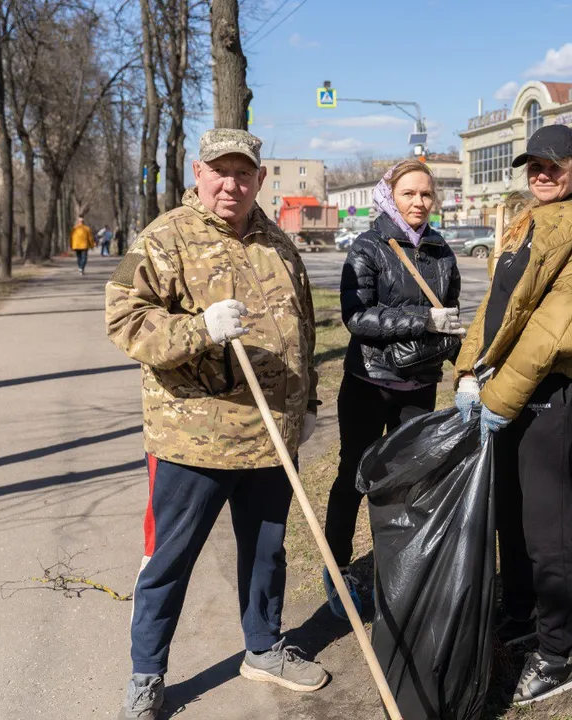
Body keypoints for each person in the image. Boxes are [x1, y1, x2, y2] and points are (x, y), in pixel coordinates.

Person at [105, 129, 327, 720]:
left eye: (244, 173)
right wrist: (199, 329)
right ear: (198, 173)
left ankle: (264, 648)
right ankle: (146, 674)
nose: (232, 184)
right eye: (220, 172)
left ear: (259, 179)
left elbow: (302, 329)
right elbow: (125, 322)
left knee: (267, 552)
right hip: (193, 440)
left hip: (270, 436)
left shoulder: (278, 243)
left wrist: (306, 405)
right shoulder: (165, 237)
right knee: (170, 561)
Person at [453, 124, 572, 706]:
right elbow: (496, 308)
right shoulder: (527, 223)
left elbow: (553, 326)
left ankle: (559, 652)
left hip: (559, 389)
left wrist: (497, 399)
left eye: (553, 166)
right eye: (534, 166)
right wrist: (468, 371)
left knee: (548, 529)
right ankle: (521, 613)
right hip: (511, 387)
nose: (542, 175)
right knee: (511, 515)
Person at [322, 159, 465, 620]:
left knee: (411, 481)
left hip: (419, 385)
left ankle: (400, 569)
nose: (419, 202)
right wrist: (422, 319)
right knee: (354, 476)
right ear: (390, 196)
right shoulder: (368, 247)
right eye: (409, 193)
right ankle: (337, 568)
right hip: (369, 383)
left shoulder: (441, 251)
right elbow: (357, 317)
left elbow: (450, 317)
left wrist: (466, 369)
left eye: (426, 194)